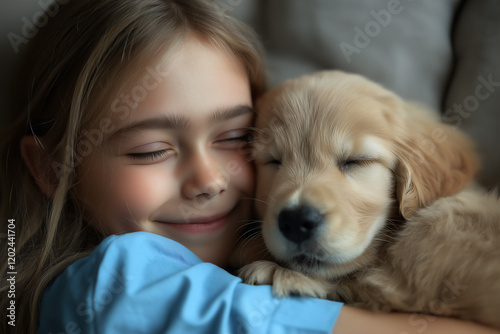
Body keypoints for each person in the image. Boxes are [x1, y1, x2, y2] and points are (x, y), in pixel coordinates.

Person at [0, 1, 498, 333]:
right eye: (150, 149)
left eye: (237, 138)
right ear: (52, 169)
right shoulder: (112, 287)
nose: (210, 180)